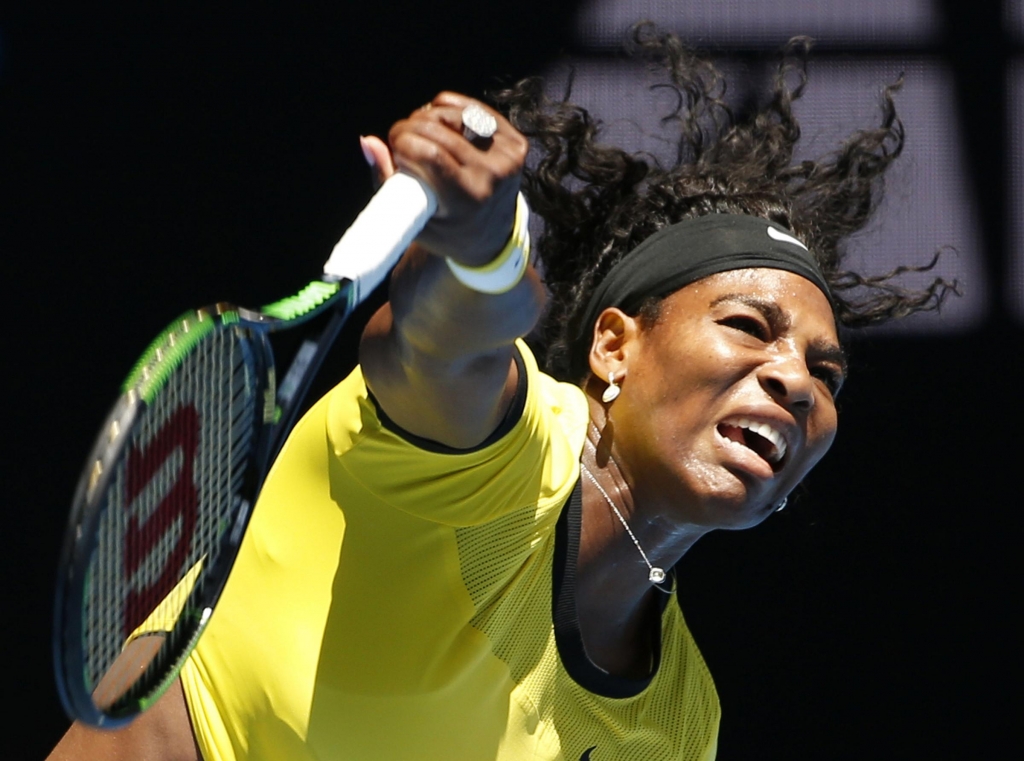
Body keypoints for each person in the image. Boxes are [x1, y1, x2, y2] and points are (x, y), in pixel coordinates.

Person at [48, 27, 952, 761]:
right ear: (613, 346)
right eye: (749, 326)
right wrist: (482, 249)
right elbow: (447, 339)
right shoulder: (496, 454)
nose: (796, 380)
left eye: (825, 375)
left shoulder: (679, 727)